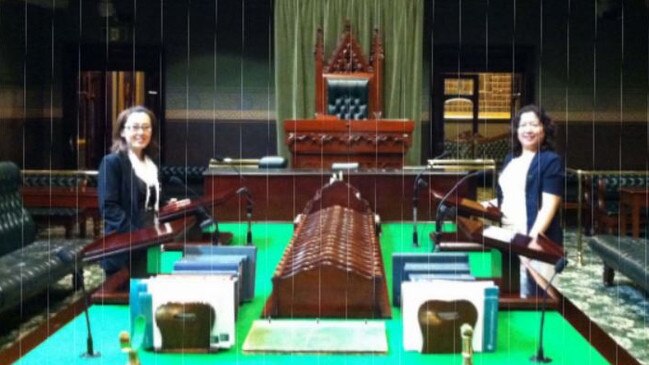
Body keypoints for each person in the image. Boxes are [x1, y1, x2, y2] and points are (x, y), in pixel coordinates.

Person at [488, 104, 564, 298]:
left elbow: (549, 207)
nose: (528, 130)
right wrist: (485, 206)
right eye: (523, 125)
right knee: (510, 291)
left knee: (538, 297)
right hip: (506, 236)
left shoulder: (550, 161)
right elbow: (510, 196)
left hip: (533, 236)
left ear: (544, 129)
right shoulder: (510, 158)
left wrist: (529, 244)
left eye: (534, 124)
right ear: (516, 130)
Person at [98, 105, 162, 276]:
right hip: (124, 248)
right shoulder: (112, 163)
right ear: (122, 132)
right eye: (134, 127)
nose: (141, 132)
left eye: (146, 127)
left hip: (149, 243)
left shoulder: (150, 164)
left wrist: (168, 205)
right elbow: (109, 207)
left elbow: (147, 202)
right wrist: (137, 236)